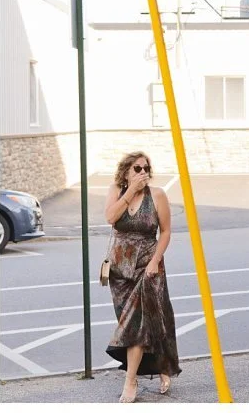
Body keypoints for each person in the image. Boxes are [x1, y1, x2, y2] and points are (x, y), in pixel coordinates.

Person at [102, 152, 181, 402]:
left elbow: (166, 231)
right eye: (137, 168)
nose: (143, 172)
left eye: (146, 168)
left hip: (149, 265)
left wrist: (155, 261)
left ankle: (130, 380)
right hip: (120, 269)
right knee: (137, 325)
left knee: (138, 324)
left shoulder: (157, 195)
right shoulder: (116, 189)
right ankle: (161, 366)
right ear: (126, 171)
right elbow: (110, 218)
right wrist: (129, 192)